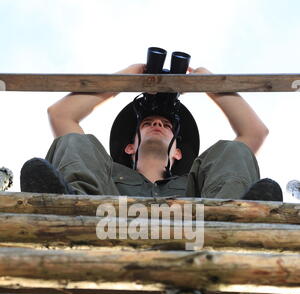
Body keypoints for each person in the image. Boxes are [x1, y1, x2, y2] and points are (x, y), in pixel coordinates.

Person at [20, 63, 283, 202]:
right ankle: (71, 208)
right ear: (129, 147)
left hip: (200, 233)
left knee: (232, 149)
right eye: (146, 123)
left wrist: (211, 83)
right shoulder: (107, 175)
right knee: (78, 141)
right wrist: (125, 79)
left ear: (178, 152)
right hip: (102, 221)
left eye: (167, 125)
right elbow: (61, 115)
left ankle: (234, 216)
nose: (158, 124)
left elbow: (254, 133)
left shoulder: (196, 185)